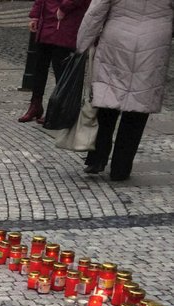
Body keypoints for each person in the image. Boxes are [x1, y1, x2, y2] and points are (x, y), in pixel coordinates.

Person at [76, 0, 174, 180]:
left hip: (117, 38)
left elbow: (96, 11)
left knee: (108, 99)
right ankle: (121, 168)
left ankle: (97, 158)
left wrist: (82, 43)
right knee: (139, 106)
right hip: (155, 40)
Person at [18, 0, 91, 122]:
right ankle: (35, 104)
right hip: (46, 22)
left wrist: (64, 8)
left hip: (65, 22)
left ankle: (58, 109)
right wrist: (35, 16)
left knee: (60, 69)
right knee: (39, 67)